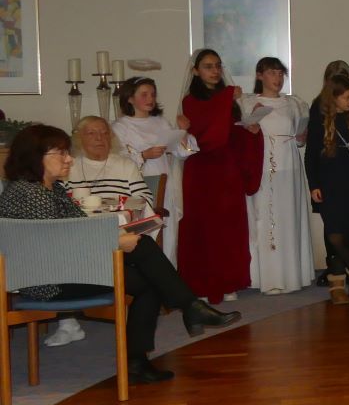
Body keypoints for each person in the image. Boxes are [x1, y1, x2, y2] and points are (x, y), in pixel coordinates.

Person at [0, 125, 240, 384]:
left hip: (65, 269)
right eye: (61, 153)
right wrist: (115, 241)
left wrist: (117, 236)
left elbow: (77, 230)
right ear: (35, 156)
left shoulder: (50, 188)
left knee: (147, 274)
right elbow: (57, 244)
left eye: (68, 152)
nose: (69, 159)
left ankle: (161, 337)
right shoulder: (29, 193)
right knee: (145, 258)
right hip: (47, 280)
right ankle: (185, 311)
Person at [47, 116, 157, 347]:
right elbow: (60, 206)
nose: (100, 138)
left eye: (104, 132)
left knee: (141, 247)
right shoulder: (67, 167)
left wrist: (117, 207)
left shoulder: (125, 164)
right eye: (92, 133)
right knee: (147, 266)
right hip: (78, 238)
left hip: (119, 227)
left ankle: (187, 306)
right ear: (79, 139)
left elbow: (143, 198)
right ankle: (68, 322)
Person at [179, 49, 263, 303]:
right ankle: (203, 285)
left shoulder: (228, 100)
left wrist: (251, 130)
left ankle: (229, 281)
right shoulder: (190, 101)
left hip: (227, 170)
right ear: (196, 71)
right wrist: (227, 97)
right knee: (204, 229)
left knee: (230, 229)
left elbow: (230, 135)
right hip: (202, 172)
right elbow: (208, 135)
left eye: (217, 65)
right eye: (208, 66)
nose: (215, 71)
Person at [243, 56, 314, 296]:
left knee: (289, 218)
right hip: (264, 167)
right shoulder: (249, 103)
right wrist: (251, 125)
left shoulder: (294, 103)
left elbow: (300, 138)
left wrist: (302, 137)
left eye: (280, 73)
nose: (277, 78)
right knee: (266, 220)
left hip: (289, 167)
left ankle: (292, 275)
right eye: (272, 73)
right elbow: (243, 137)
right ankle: (269, 277)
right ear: (260, 75)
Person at [305, 74, 349, 305]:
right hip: (328, 185)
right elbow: (310, 155)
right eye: (347, 97)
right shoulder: (318, 119)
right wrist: (313, 184)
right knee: (334, 236)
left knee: (347, 233)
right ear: (333, 97)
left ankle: (337, 286)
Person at [111, 77, 195, 263]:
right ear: (130, 98)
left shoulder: (161, 122)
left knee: (169, 234)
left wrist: (183, 131)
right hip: (139, 187)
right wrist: (143, 155)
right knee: (144, 235)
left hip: (165, 185)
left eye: (153, 94)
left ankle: (168, 272)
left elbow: (183, 153)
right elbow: (117, 160)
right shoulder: (120, 127)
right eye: (144, 94)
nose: (150, 99)